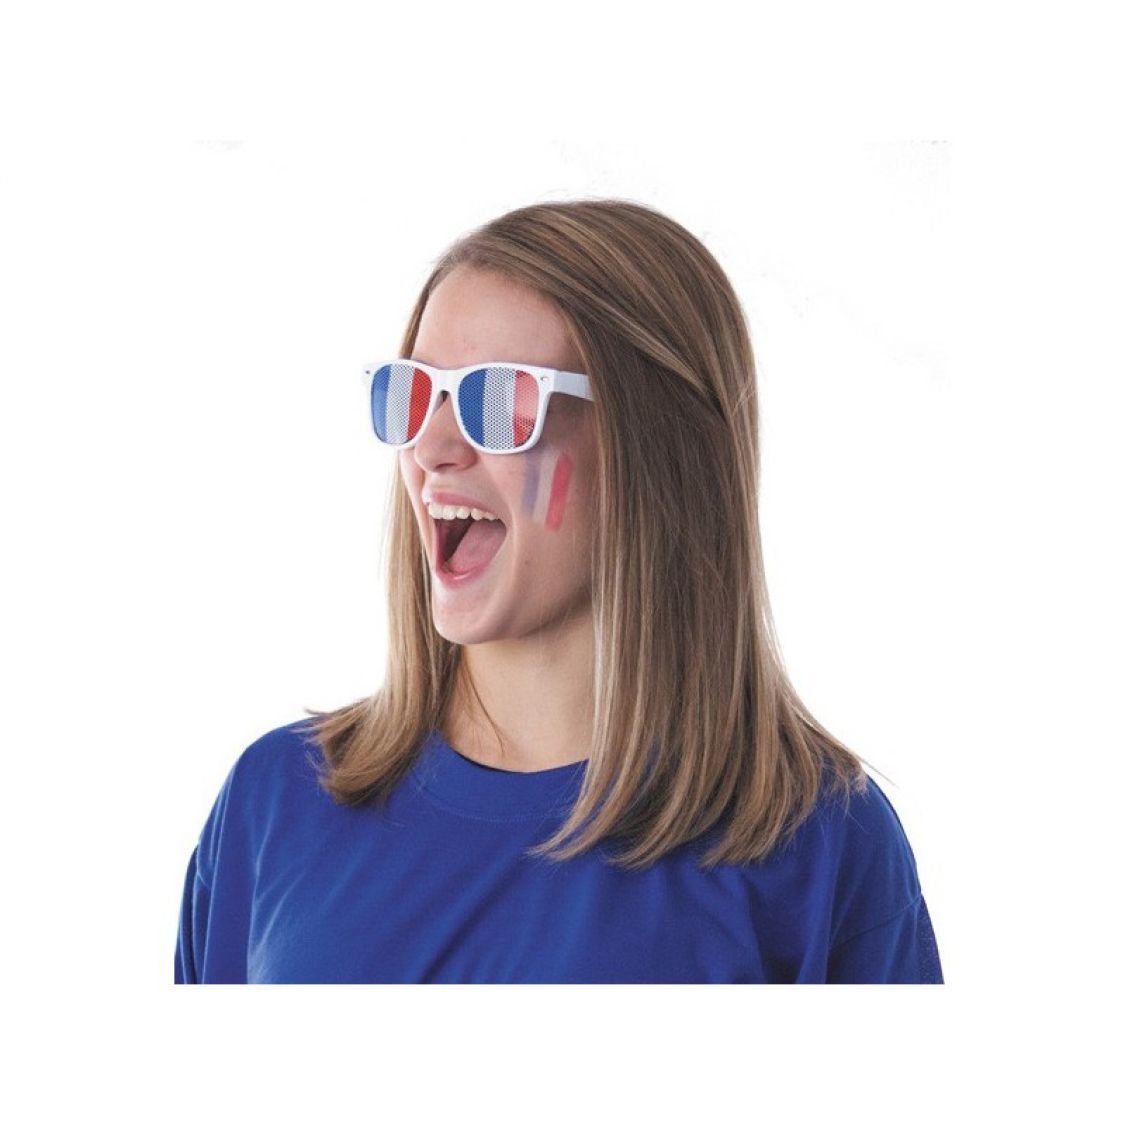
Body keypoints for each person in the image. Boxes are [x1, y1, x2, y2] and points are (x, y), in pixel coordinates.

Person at [175, 199, 944, 984]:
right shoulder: (273, 803)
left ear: (657, 449)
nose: (431, 447)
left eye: (497, 401)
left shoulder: (816, 844)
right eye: (414, 394)